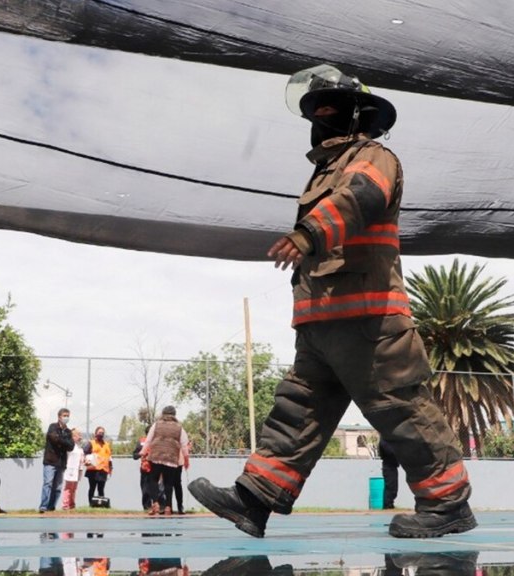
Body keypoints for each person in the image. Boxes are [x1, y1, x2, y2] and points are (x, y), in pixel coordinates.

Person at [188, 64, 476, 539]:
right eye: (315, 109)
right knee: (296, 411)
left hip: (370, 321)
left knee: (400, 409)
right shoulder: (324, 171)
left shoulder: (373, 157)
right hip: (321, 323)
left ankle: (447, 504)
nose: (321, 115)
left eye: (332, 107)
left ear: (358, 114)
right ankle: (255, 498)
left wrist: (309, 233)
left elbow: (359, 199)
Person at [145, 406, 189, 516]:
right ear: (174, 415)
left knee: (153, 479)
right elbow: (184, 445)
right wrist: (186, 459)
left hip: (156, 456)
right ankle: (168, 506)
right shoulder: (179, 427)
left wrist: (142, 453)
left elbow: (148, 440)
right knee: (169, 482)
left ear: (163, 414)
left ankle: (155, 503)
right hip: (171, 457)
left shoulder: (156, 425)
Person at [39, 408, 74, 513]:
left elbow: (71, 446)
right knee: (48, 483)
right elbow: (54, 439)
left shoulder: (68, 431)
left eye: (68, 415)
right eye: (64, 415)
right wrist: (64, 441)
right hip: (50, 461)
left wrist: (61, 440)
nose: (66, 417)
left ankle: (51, 507)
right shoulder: (53, 427)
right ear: (59, 416)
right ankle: (43, 506)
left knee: (58, 487)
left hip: (61, 463)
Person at [85, 426, 112, 506]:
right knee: (92, 488)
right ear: (95, 433)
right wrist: (87, 460)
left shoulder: (106, 444)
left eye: (102, 433)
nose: (101, 434)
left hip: (103, 470)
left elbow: (109, 457)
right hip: (93, 469)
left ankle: (101, 504)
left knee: (101, 488)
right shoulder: (91, 443)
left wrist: (111, 468)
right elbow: (85, 452)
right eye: (99, 432)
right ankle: (91, 504)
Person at [61, 428, 84, 510]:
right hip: (70, 469)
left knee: (74, 488)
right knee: (68, 488)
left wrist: (81, 468)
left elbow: (81, 459)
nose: (80, 437)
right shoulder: (70, 446)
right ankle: (65, 505)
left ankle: (72, 505)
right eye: (79, 435)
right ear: (73, 436)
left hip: (77, 470)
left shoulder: (79, 447)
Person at [379, 438, 400, 509]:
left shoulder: (388, 440)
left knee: (393, 487)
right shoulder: (384, 441)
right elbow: (390, 452)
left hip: (392, 466)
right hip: (388, 466)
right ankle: (388, 504)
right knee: (390, 486)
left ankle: (390, 503)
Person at [133, 435, 152, 511]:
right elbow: (135, 455)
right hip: (145, 469)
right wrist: (141, 454)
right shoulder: (142, 442)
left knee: (157, 490)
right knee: (145, 490)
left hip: (157, 469)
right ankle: (147, 508)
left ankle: (159, 507)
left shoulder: (158, 441)